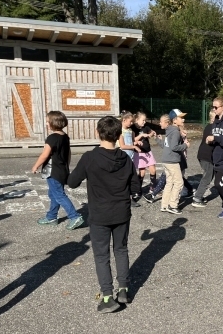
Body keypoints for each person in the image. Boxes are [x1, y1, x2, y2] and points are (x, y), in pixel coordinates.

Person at [67, 116, 141, 313]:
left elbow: (72, 182)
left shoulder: (89, 158)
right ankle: (124, 289)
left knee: (101, 255)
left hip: (100, 213)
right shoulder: (125, 159)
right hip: (121, 211)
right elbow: (136, 186)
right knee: (121, 249)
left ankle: (107, 296)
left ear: (97, 133)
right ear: (118, 135)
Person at [31, 111, 84, 230]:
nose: (46, 124)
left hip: (53, 171)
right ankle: (51, 217)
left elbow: (45, 155)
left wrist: (36, 166)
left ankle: (74, 217)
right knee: (53, 193)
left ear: (53, 123)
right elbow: (68, 153)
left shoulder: (52, 138)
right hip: (61, 169)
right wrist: (66, 166)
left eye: (47, 121)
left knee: (59, 195)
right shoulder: (65, 136)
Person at [160, 109, 189, 214]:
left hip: (166, 160)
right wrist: (185, 145)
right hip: (172, 161)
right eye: (181, 118)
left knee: (169, 182)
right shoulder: (176, 131)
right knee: (179, 182)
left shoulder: (170, 130)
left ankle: (164, 205)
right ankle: (172, 205)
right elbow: (174, 147)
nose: (183, 119)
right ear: (175, 120)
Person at [192, 110, 216, 208]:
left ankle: (199, 195)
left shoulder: (209, 126)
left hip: (204, 155)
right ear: (212, 118)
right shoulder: (213, 128)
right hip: (206, 156)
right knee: (207, 177)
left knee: (208, 175)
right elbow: (212, 141)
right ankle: (197, 198)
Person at [131, 112, 157, 199]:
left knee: (153, 169)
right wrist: (141, 135)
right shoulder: (133, 128)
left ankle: (152, 189)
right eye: (143, 120)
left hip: (148, 151)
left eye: (145, 120)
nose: (144, 122)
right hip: (139, 153)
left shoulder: (146, 127)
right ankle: (138, 190)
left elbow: (151, 132)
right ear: (137, 120)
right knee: (142, 172)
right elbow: (133, 140)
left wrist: (152, 133)